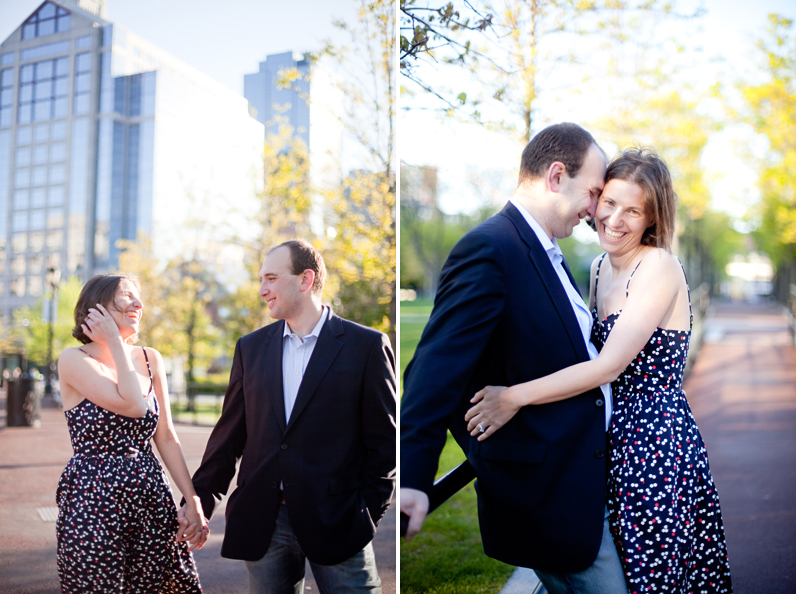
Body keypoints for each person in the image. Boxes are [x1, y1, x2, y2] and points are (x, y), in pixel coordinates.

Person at [465, 148, 733, 592]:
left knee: (653, 575)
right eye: (609, 202)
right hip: (603, 439)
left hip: (653, 446)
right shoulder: (596, 268)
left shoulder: (659, 266)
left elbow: (607, 365)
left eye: (634, 210)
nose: (615, 219)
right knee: (611, 567)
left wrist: (513, 396)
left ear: (652, 218)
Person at [401, 123, 629, 593]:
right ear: (555, 175)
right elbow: (432, 371)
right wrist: (413, 478)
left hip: (573, 479)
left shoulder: (547, 252)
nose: (595, 211)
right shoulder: (492, 248)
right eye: (592, 192)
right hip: (543, 490)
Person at [186, 239, 396, 594]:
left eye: (270, 278)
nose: (262, 290)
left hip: (339, 520)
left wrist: (365, 517)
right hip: (264, 521)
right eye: (261, 280)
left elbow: (385, 445)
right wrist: (199, 502)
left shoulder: (367, 347)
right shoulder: (250, 349)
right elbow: (228, 438)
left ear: (305, 279)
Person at [56, 274, 207, 593]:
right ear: (95, 308)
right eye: (126, 297)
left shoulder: (151, 359)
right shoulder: (73, 359)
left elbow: (165, 436)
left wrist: (191, 499)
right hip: (94, 499)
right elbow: (135, 406)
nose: (138, 304)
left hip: (151, 498)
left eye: (139, 297)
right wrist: (113, 341)